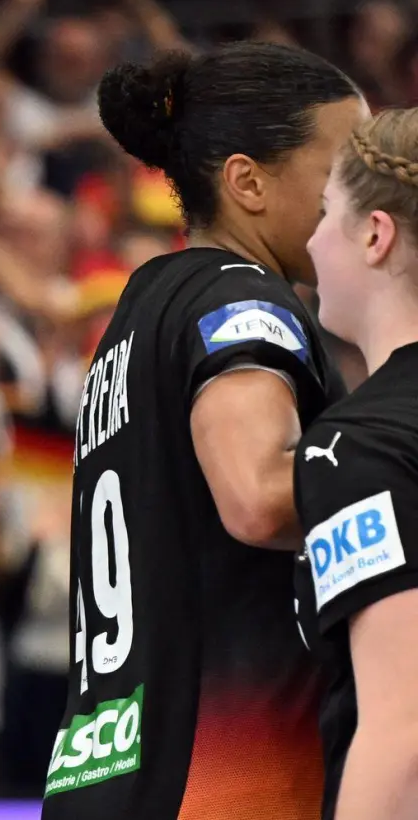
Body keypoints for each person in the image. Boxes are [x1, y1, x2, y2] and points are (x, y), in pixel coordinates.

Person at [41, 42, 363, 820]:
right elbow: (254, 496)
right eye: (344, 173)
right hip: (227, 773)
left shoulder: (140, 310)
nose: (363, 199)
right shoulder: (242, 299)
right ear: (248, 181)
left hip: (108, 766)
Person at [296, 107, 418, 820]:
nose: (309, 241)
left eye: (324, 212)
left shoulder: (359, 443)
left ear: (376, 234)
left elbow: (402, 733)